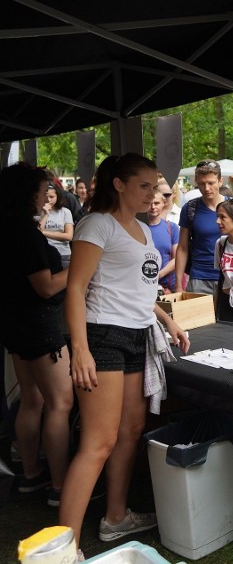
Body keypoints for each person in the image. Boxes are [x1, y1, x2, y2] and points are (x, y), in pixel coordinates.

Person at [60, 153, 189, 549]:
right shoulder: (96, 224)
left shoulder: (141, 230)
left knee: (131, 431)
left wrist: (168, 321)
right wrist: (80, 350)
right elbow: (76, 288)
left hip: (138, 336)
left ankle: (115, 518)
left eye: (156, 187)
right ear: (119, 184)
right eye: (144, 186)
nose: (154, 195)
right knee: (98, 443)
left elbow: (140, 289)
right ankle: (63, 548)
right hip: (103, 336)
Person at [0, 163, 73, 508]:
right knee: (60, 403)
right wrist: (78, 269)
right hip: (40, 327)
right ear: (27, 192)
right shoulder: (26, 234)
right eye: (43, 188)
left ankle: (31, 475)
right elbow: (45, 287)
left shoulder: (7, 228)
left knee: (32, 401)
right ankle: (59, 486)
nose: (48, 193)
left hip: (15, 325)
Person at [174, 159, 227, 295]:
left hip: (229, 278)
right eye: (202, 184)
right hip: (199, 278)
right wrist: (179, 285)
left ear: (221, 181)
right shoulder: (190, 208)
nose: (207, 188)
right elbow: (182, 248)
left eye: (211, 183)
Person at [147, 190, 179, 293]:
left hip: (168, 286)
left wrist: (159, 275)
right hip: (144, 284)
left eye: (156, 203)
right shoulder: (137, 228)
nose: (153, 207)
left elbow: (177, 258)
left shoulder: (172, 228)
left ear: (163, 203)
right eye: (149, 203)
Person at [39, 183, 74, 269]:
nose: (48, 200)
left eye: (51, 197)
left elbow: (69, 236)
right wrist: (45, 214)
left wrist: (43, 232)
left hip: (63, 253)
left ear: (57, 197)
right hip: (44, 253)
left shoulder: (65, 212)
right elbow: (37, 232)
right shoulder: (38, 212)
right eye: (46, 196)